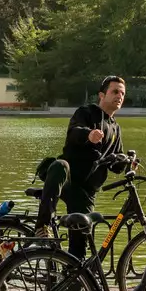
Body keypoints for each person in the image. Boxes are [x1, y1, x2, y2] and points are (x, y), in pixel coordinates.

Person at [57, 75, 127, 256]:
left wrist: (127, 162)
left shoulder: (115, 128)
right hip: (74, 182)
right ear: (102, 95)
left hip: (90, 190)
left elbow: (116, 164)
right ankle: (75, 282)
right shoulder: (86, 112)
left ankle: (75, 277)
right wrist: (88, 135)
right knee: (80, 240)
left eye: (122, 93)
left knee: (81, 238)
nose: (119, 96)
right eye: (115, 92)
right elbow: (74, 132)